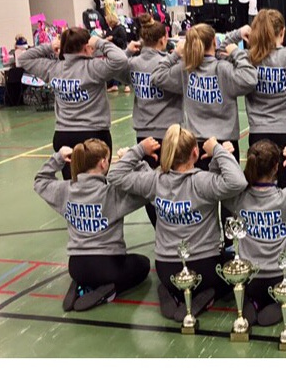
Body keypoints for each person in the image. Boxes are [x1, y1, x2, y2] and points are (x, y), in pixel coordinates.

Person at [108, 125, 248, 320]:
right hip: (205, 268)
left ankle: (171, 291)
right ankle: (207, 293)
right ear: (195, 152)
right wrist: (218, 151)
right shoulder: (202, 182)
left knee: (154, 270)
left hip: (168, 269)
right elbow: (237, 182)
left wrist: (139, 150)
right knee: (237, 269)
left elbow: (114, 175)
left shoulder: (155, 181)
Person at [151, 23, 257, 245]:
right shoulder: (224, 69)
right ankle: (230, 246)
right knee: (229, 198)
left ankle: (204, 242)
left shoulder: (186, 70)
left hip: (196, 146)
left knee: (200, 197)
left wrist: (174, 55)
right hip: (225, 143)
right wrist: (236, 51)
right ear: (215, 44)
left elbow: (157, 76)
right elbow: (250, 78)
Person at [220, 10, 286, 258]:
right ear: (282, 32)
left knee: (259, 193)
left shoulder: (248, 59)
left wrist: (237, 34)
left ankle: (258, 244)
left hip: (260, 134)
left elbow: (216, 47)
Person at [34, 139, 150, 312]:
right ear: (103, 163)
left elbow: (40, 181)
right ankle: (108, 290)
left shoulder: (66, 190)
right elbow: (150, 186)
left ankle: (82, 285)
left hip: (76, 266)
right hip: (109, 266)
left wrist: (57, 159)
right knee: (143, 264)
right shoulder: (112, 194)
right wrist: (134, 161)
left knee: (88, 273)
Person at [222, 140, 286, 326]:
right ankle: (282, 301)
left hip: (250, 278)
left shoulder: (238, 197)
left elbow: (221, 182)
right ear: (276, 167)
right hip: (281, 276)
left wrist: (221, 157)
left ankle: (251, 302)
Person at [19, 27, 128, 180]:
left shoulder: (54, 68)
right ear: (86, 46)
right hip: (94, 134)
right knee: (96, 184)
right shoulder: (93, 68)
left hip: (64, 134)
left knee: (72, 186)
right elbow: (121, 59)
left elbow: (24, 59)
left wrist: (50, 46)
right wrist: (100, 43)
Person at [124, 13, 183, 228]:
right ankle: (174, 227)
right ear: (163, 40)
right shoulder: (168, 66)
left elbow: (116, 67)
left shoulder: (133, 64)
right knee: (173, 184)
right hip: (169, 133)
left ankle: (159, 227)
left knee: (151, 186)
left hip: (144, 133)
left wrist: (128, 51)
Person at [105, 13, 131, 93]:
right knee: (114, 69)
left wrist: (113, 38)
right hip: (112, 52)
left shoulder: (120, 28)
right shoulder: (109, 30)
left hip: (120, 50)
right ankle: (114, 85)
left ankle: (127, 85)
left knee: (122, 68)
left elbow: (123, 41)